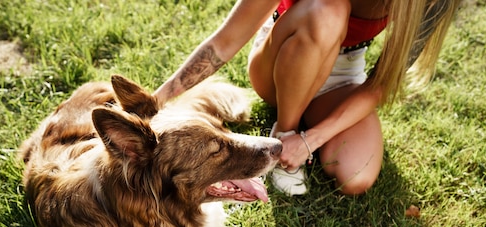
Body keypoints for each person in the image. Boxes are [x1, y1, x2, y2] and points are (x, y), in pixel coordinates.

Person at [153, 0, 461, 195]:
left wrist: (310, 140)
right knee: (330, 9)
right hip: (282, 57)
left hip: (344, 70)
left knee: (355, 176)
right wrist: (156, 101)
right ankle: (283, 133)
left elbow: (379, 85)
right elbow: (225, 41)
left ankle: (297, 139)